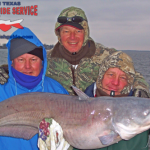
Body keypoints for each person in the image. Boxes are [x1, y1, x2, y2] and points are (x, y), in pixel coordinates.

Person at [0, 6, 149, 97]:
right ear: (59, 34)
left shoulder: (106, 56)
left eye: (77, 31)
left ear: (86, 32)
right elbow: (27, 70)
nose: (72, 37)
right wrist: (5, 71)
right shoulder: (48, 59)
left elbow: (132, 76)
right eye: (66, 31)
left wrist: (141, 90)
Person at [0, 27, 69, 150]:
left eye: (33, 59)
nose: (27, 66)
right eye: (21, 59)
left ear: (42, 62)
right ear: (11, 63)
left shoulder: (57, 91)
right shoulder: (1, 89)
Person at [82, 51, 149, 150]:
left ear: (129, 82)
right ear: (101, 76)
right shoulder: (81, 104)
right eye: (110, 74)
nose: (115, 82)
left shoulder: (141, 117)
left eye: (122, 77)